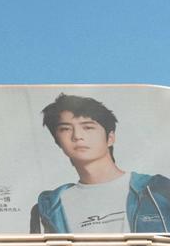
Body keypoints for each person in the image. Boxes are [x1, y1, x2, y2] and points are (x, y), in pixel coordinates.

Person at [31, 93, 170, 234]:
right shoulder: (49, 207)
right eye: (65, 129)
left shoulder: (158, 190)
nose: (77, 136)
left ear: (110, 138)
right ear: (58, 141)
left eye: (88, 127)